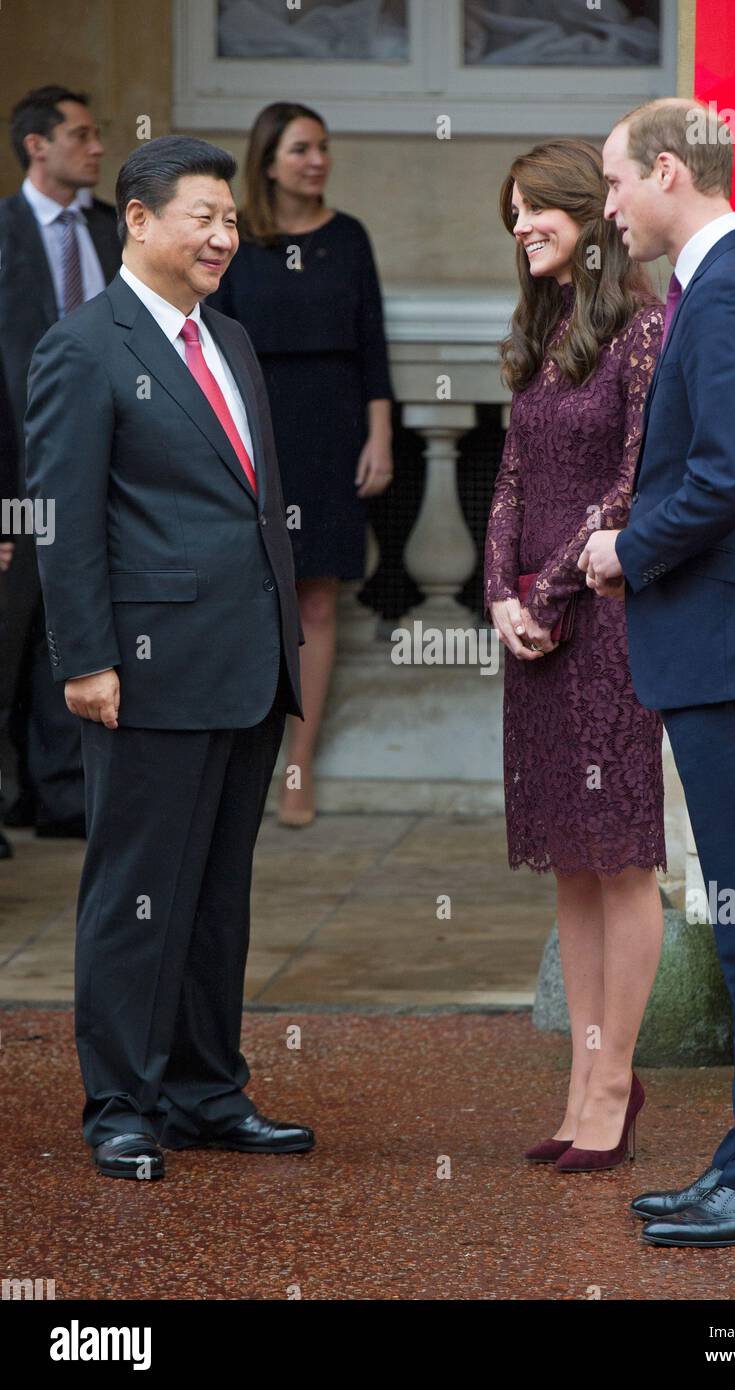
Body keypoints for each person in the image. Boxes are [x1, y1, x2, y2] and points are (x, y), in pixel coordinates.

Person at [25, 135, 314, 1181]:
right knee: (137, 889)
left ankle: (205, 1091)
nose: (224, 235)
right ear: (137, 221)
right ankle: (121, 1103)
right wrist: (88, 658)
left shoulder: (229, 340)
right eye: (203, 214)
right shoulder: (83, 346)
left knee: (213, 893)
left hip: (244, 663)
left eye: (231, 219)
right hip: (145, 670)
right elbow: (66, 520)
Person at [581, 97, 735, 1246]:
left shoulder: (727, 291)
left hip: (727, 654)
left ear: (668, 172)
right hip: (720, 650)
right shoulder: (721, 287)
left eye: (615, 183)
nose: (608, 209)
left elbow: (724, 478)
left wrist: (621, 549)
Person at [484, 140, 665, 1173]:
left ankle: (611, 1083)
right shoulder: (541, 328)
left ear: (586, 213)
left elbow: (633, 480)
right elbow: (509, 471)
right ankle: (581, 1082)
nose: (519, 228)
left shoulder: (642, 331)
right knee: (570, 861)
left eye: (533, 210)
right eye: (510, 215)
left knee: (621, 858)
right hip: (535, 634)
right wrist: (499, 593)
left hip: (605, 623)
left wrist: (547, 591)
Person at [205, 102, 394, 827]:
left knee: (317, 598)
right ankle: (234, 761)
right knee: (250, 593)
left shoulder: (348, 237)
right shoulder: (235, 241)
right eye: (301, 149)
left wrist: (378, 435)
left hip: (332, 424)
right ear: (269, 160)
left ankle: (298, 767)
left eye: (322, 147)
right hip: (254, 422)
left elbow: (372, 341)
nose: (317, 160)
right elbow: (212, 345)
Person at [0, 86, 120, 845]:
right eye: (80, 134)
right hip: (13, 469)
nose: (97, 146)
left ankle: (64, 796)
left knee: (72, 622)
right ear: (36, 145)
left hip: (99, 467)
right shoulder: (2, 230)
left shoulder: (115, 229)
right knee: (8, 629)